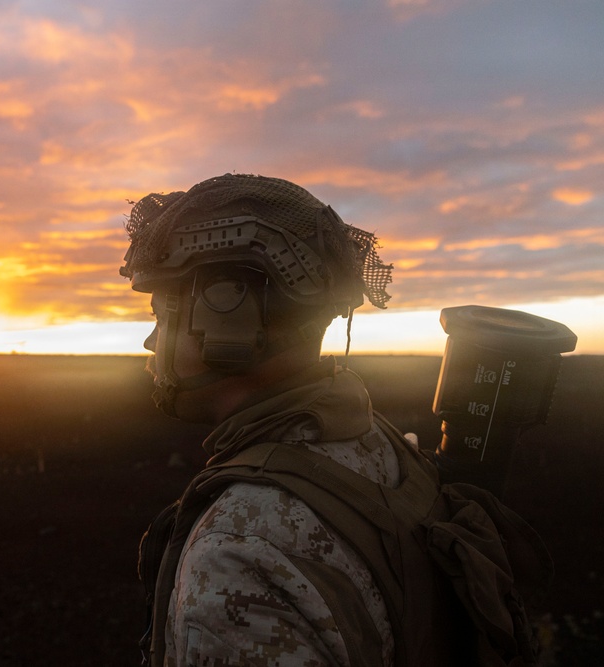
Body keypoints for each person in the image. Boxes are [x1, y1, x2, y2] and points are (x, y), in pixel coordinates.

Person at [120, 174, 550, 667]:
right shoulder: (383, 449)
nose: (151, 342)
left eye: (160, 314)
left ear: (230, 318)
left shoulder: (239, 550)